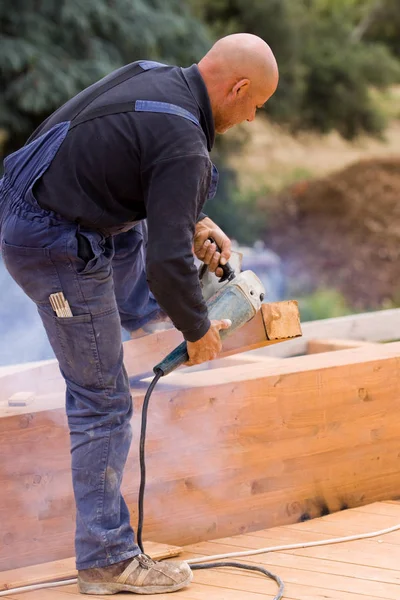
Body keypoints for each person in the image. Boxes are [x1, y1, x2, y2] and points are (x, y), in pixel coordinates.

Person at [0, 33, 278, 595]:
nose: (250, 119)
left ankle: (142, 319)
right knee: (102, 400)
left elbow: (138, 166)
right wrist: (198, 332)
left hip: (61, 206)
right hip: (50, 241)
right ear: (240, 87)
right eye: (255, 106)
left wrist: (194, 220)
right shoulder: (184, 141)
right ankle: (106, 559)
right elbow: (167, 259)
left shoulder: (158, 78)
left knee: (145, 243)